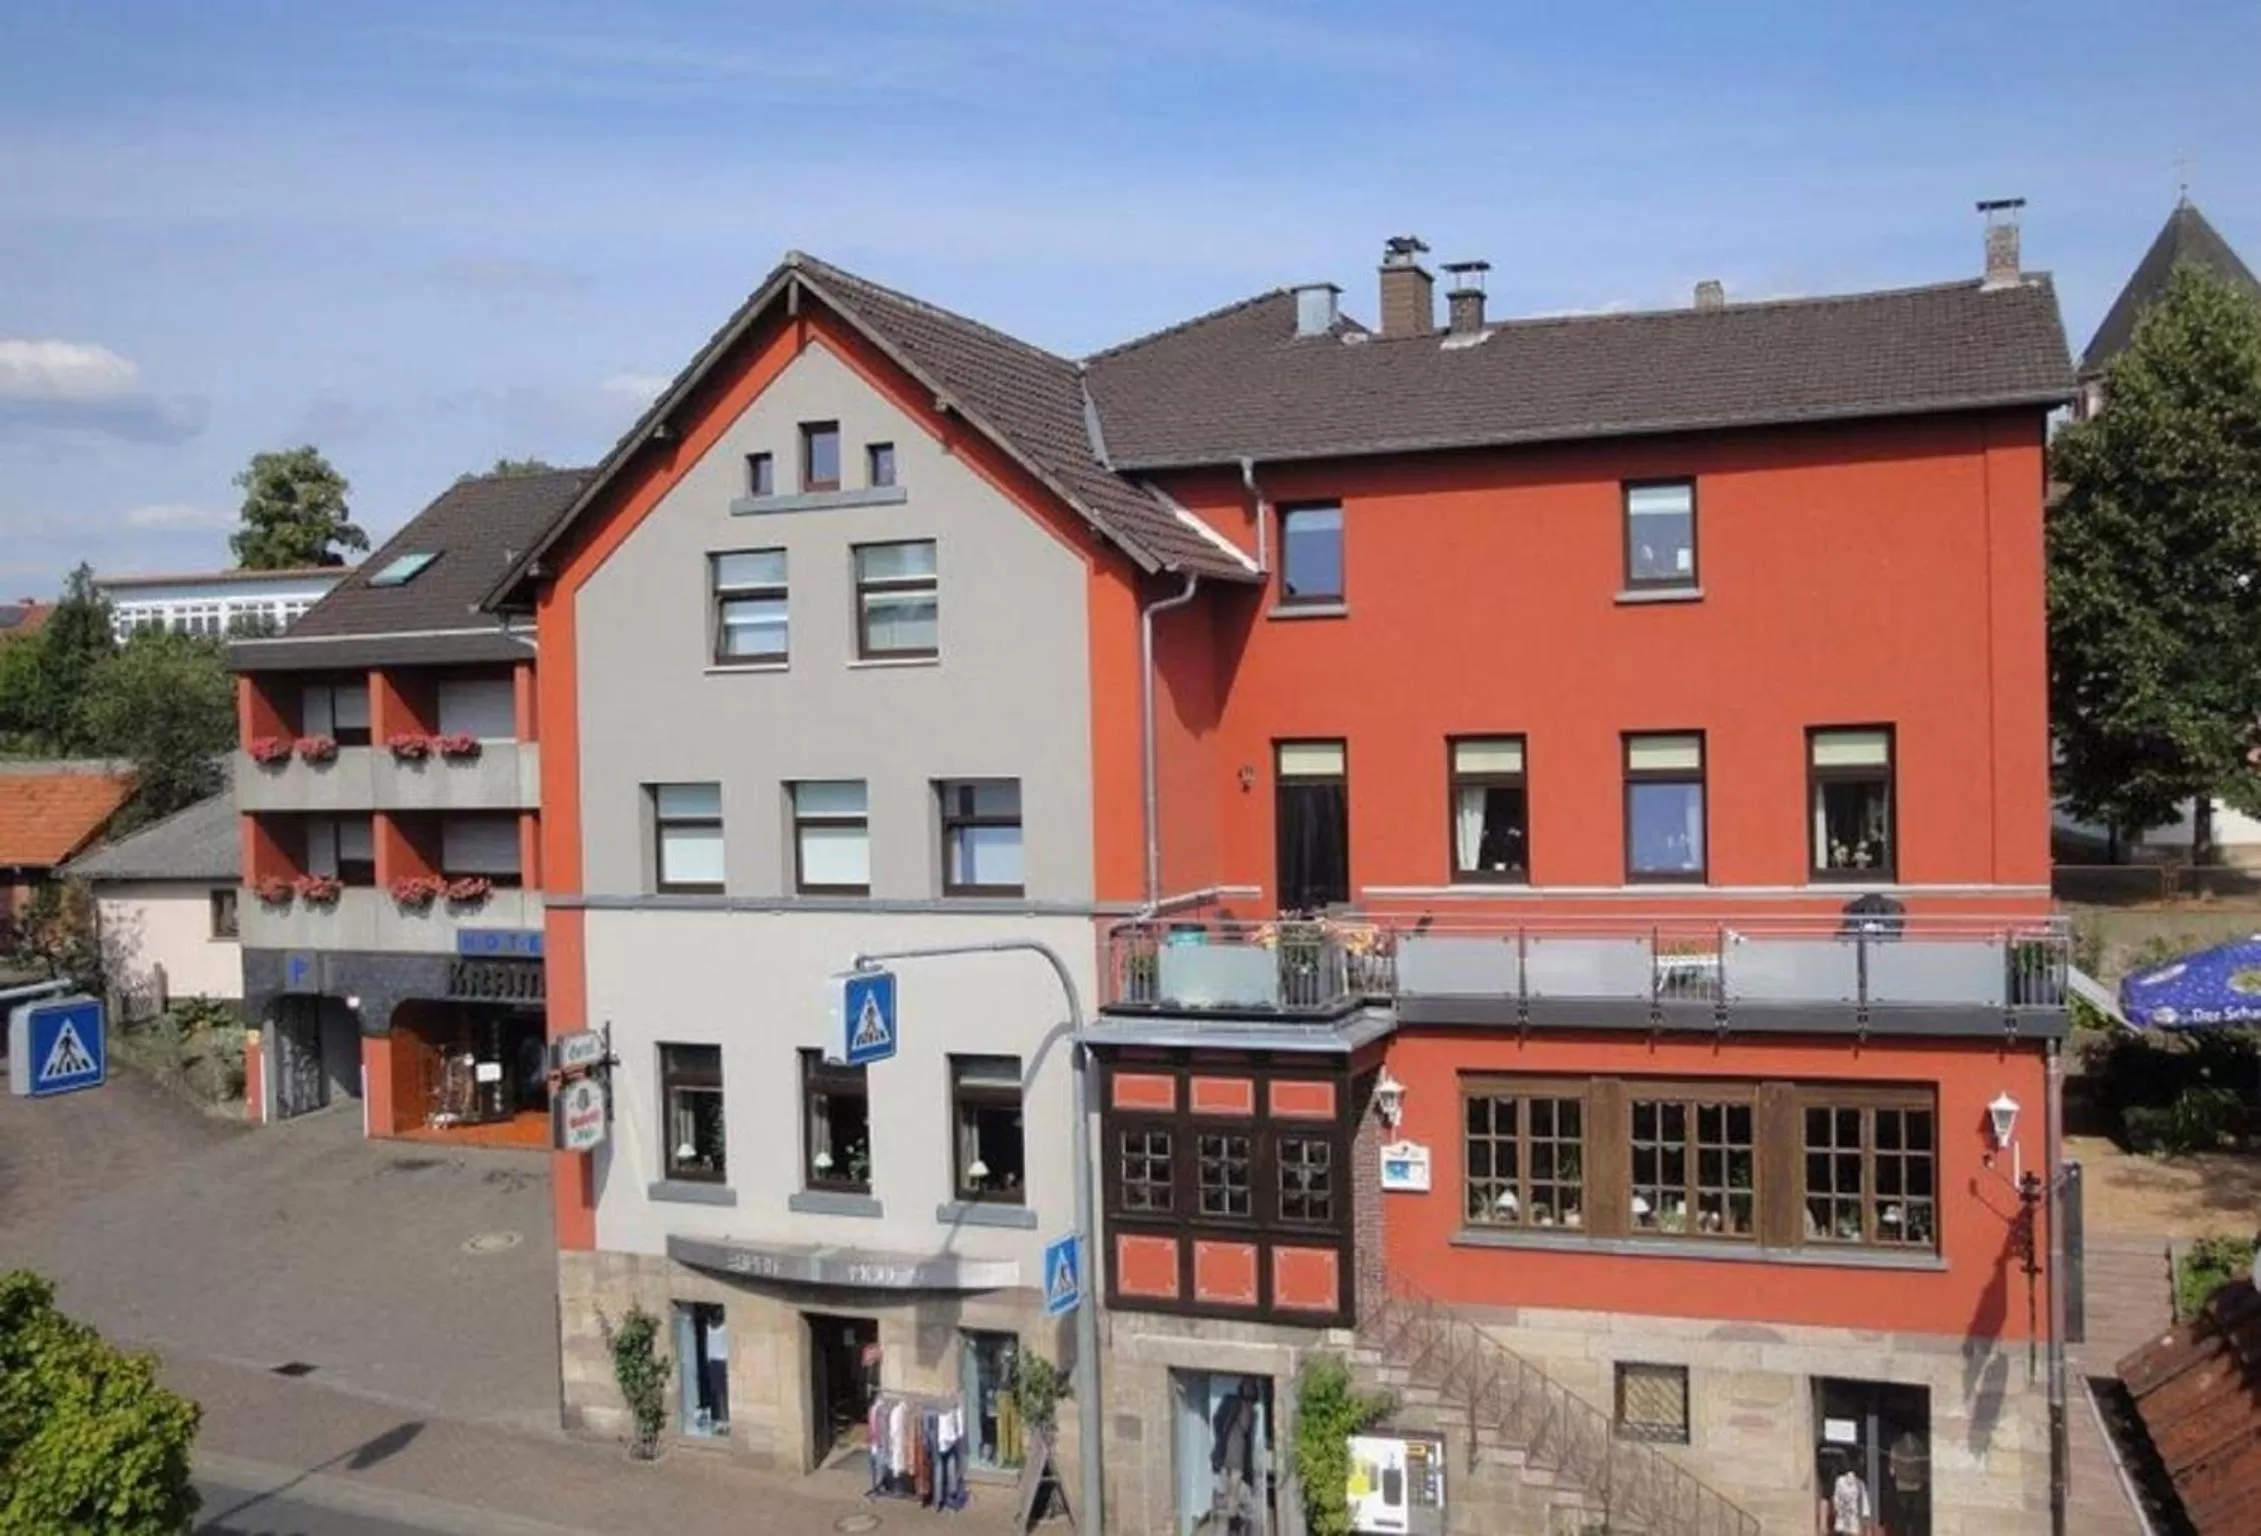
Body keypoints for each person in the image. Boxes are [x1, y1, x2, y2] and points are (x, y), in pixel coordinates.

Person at [1208, 1378, 1260, 1534]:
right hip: (1226, 1453)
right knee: (1225, 1490)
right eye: (1246, 1387)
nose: (1248, 1391)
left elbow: (1249, 1438)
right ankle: (1226, 1524)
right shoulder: (1231, 1401)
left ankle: (1232, 1524)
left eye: (1251, 1388)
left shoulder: (1252, 1412)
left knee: (1235, 1491)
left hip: (1240, 1458)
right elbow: (1217, 1419)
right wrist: (1221, 1437)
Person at [1819, 1447, 1874, 1536]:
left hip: (1843, 1527)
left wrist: (1823, 1524)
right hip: (1850, 1528)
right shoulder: (1859, 1484)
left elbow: (1826, 1498)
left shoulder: (1839, 1481)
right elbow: (1865, 1513)